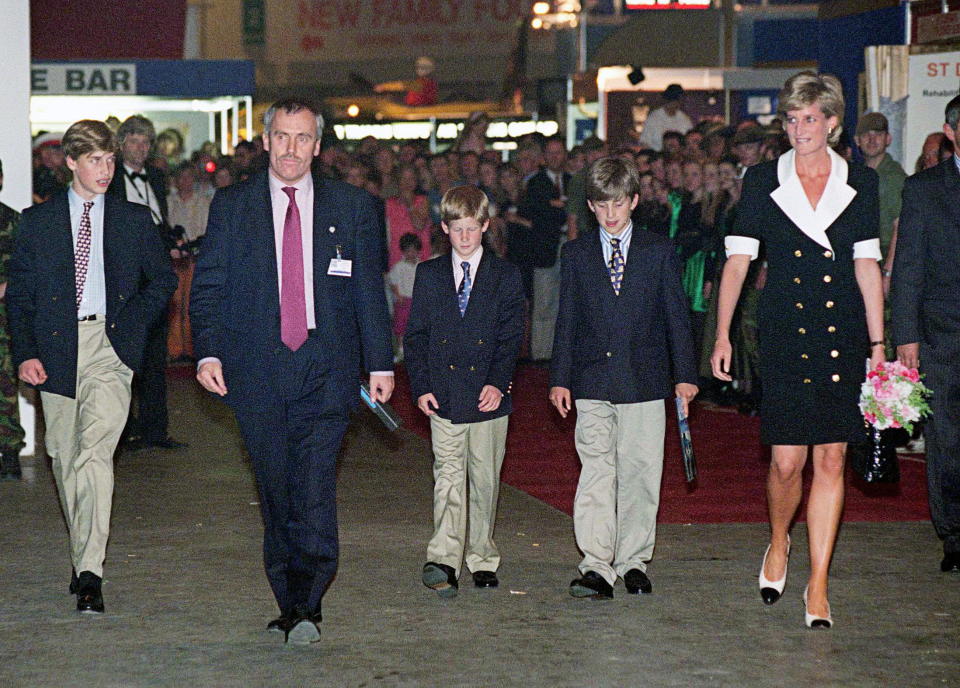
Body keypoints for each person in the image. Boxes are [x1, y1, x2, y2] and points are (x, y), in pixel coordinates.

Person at [190, 98, 394, 645]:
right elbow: (207, 286)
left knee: (314, 485)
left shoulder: (352, 207)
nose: (291, 148)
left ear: (318, 146)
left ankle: (309, 601)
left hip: (328, 369)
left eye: (303, 138)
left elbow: (368, 292)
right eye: (282, 136)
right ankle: (287, 595)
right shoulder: (233, 206)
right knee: (277, 487)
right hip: (256, 369)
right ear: (265, 140)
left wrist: (380, 361)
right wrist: (207, 353)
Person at [710, 72, 885, 629]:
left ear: (832, 123)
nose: (799, 128)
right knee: (787, 463)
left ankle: (819, 582)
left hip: (841, 334)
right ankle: (779, 539)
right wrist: (722, 334)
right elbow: (738, 261)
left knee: (832, 458)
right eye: (791, 119)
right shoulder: (763, 179)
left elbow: (866, 265)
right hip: (785, 329)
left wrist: (878, 344)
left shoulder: (860, 181)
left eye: (810, 118)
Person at [7, 119, 176, 613]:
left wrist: (133, 324)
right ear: (72, 164)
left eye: (110, 160)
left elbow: (162, 280)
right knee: (63, 455)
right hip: (57, 347)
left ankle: (90, 573)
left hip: (110, 345)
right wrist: (27, 354)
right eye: (96, 161)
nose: (106, 170)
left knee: (95, 455)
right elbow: (19, 297)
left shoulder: (133, 218)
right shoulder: (37, 224)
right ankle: (83, 552)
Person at [549, 157, 698, 599]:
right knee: (596, 471)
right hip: (592, 378)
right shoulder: (575, 253)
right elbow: (567, 319)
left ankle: (633, 560)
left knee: (640, 472)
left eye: (618, 204)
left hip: (645, 379)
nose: (610, 214)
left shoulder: (658, 251)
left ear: (634, 201)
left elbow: (677, 315)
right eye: (601, 205)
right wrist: (560, 378)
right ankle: (596, 564)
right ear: (590, 207)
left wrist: (685, 375)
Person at [404, 184, 525, 597]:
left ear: (486, 226)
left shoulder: (505, 276)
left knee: (486, 478)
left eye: (472, 229)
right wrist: (420, 386)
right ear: (444, 229)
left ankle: (482, 555)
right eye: (457, 229)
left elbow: (511, 337)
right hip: (445, 392)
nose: (465, 237)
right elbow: (416, 335)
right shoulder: (430, 274)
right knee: (448, 476)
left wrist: (498, 380)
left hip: (488, 395)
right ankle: (443, 558)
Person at [890, 94, 960, 575]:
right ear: (952, 131)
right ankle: (953, 534)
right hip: (942, 331)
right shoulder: (924, 189)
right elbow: (908, 266)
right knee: (948, 436)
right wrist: (906, 336)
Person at [108, 114, 185, 451]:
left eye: (145, 142)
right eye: (134, 141)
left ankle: (156, 429)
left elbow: (159, 220)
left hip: (155, 274)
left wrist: (172, 241)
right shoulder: (109, 180)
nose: (140, 148)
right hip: (124, 275)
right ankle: (123, 431)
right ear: (121, 145)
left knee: (156, 352)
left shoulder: (155, 176)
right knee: (124, 353)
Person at [521, 136, 569, 361]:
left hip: (569, 245)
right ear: (543, 157)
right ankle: (541, 354)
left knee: (567, 302)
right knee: (543, 303)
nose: (554, 157)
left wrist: (555, 206)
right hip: (544, 250)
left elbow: (573, 211)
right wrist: (557, 206)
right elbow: (536, 213)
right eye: (550, 153)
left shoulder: (573, 180)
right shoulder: (536, 183)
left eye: (558, 152)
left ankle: (564, 352)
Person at [0, 159, 26, 479]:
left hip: (5, 320)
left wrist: (7, 286)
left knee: (5, 385)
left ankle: (9, 451)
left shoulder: (14, 222)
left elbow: (29, 272)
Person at [387, 232, 421, 361]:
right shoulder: (399, 267)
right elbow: (393, 281)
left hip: (417, 301)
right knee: (401, 327)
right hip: (404, 301)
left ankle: (416, 350)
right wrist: (398, 295)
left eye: (413, 250)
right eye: (408, 251)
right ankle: (401, 350)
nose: (411, 254)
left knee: (417, 327)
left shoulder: (421, 266)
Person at [638, 84, 693, 152]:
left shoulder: (685, 119)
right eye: (672, 100)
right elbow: (644, 143)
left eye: (678, 100)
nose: (675, 103)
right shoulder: (654, 118)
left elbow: (690, 141)